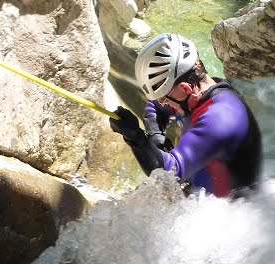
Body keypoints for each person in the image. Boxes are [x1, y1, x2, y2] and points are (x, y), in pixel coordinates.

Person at [110, 32, 262, 198]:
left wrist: (136, 138)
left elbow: (168, 173)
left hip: (227, 213)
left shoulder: (219, 119)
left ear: (184, 89)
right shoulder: (196, 94)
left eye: (165, 98)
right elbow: (155, 107)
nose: (163, 103)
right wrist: (155, 136)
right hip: (199, 192)